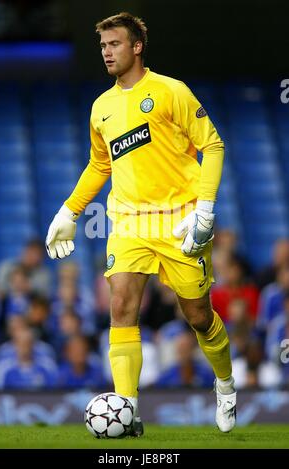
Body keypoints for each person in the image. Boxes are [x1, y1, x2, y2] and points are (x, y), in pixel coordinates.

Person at [45, 12, 236, 435]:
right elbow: (100, 164)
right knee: (120, 307)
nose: (107, 52)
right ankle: (127, 412)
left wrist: (204, 210)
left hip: (179, 221)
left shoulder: (171, 91)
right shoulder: (101, 107)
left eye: (114, 44)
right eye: (102, 46)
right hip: (128, 221)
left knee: (199, 316)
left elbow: (213, 144)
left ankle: (225, 384)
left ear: (136, 47)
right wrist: (69, 211)